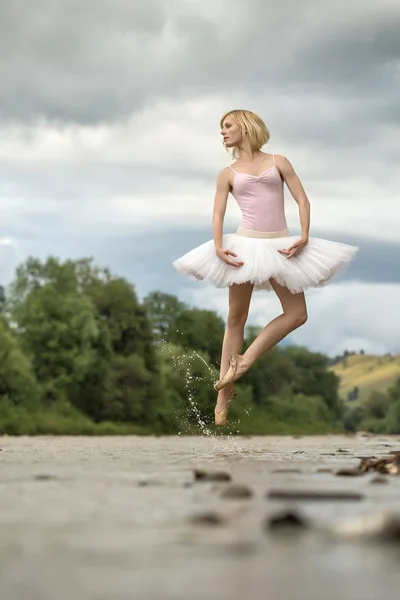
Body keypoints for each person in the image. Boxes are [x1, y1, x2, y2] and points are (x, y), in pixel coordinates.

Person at [173, 109, 358, 426]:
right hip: (245, 246)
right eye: (221, 128)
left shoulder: (279, 161)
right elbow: (217, 214)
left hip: (280, 246)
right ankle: (222, 400)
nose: (223, 132)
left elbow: (302, 200)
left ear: (244, 127)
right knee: (235, 317)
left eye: (227, 126)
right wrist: (219, 246)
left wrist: (303, 236)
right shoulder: (227, 173)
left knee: (297, 314)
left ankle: (244, 361)